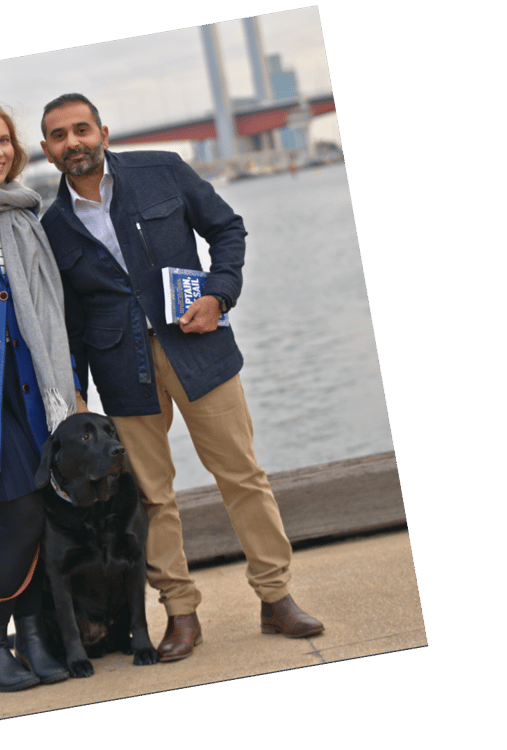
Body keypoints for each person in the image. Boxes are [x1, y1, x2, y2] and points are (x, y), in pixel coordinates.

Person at [39, 93, 324, 663]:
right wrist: (75, 390)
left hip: (199, 349)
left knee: (242, 475)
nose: (74, 142)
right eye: (59, 135)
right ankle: (180, 611)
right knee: (151, 496)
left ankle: (276, 597)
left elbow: (228, 229)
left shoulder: (162, 170)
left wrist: (219, 294)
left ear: (103, 133)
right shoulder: (53, 227)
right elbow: (70, 321)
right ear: (47, 150)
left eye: (82, 129)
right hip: (121, 369)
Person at [0, 104, 80, 691]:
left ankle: (30, 636)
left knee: (32, 510)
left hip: (28, 385)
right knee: (16, 512)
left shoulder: (24, 215)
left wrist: (70, 385)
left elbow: (53, 310)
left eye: (3, 140)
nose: (0, 152)